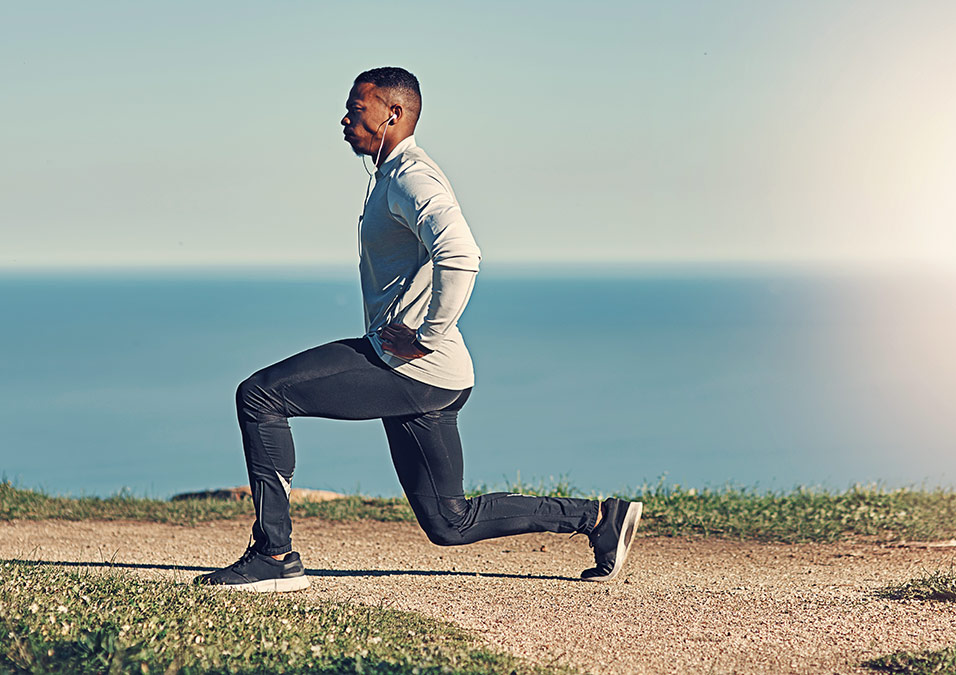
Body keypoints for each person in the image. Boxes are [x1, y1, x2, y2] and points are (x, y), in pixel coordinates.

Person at [195, 67, 642, 592]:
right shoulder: (389, 175)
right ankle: (598, 519)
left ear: (394, 114)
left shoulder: (412, 177)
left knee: (260, 397)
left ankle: (274, 556)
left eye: (356, 108)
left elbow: (461, 253)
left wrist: (427, 336)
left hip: (412, 365)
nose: (344, 118)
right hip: (433, 376)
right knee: (449, 523)